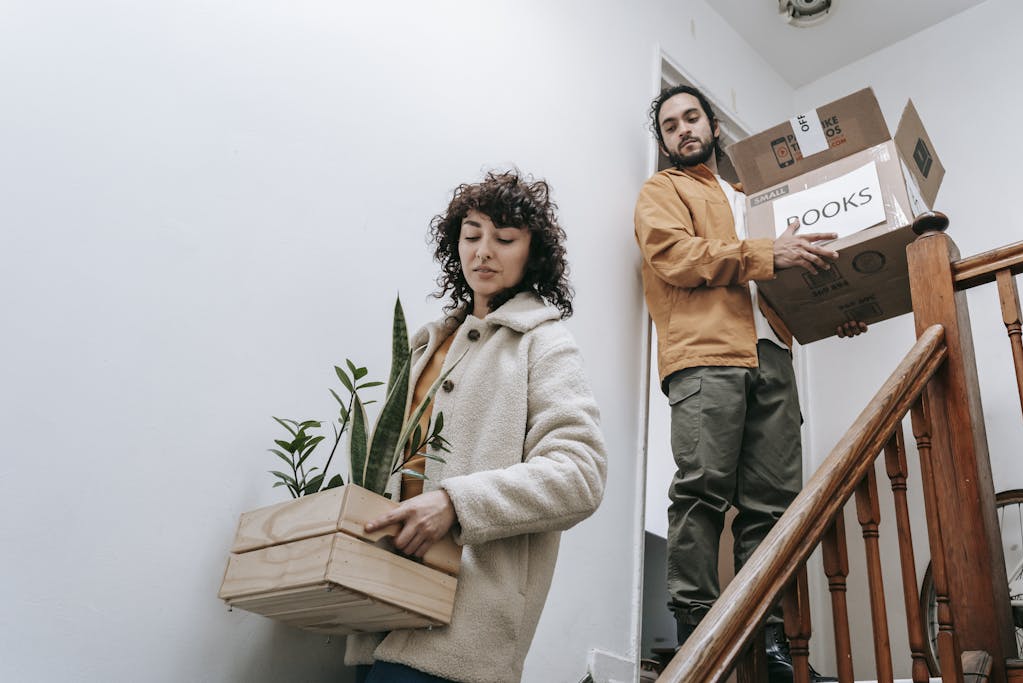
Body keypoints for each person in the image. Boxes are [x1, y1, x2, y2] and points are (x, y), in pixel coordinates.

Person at [634, 84, 864, 683]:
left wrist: (835, 308)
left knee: (774, 506)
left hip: (772, 356)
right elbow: (676, 258)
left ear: (713, 126)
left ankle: (769, 642)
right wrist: (766, 253)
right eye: (669, 125)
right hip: (707, 356)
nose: (682, 129)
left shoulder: (754, 200)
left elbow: (785, 277)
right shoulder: (664, 191)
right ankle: (696, 636)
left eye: (691, 118)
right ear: (663, 141)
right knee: (703, 491)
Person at [345, 170, 608, 683]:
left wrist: (455, 502)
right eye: (471, 235)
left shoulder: (545, 343)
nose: (484, 251)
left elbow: (581, 475)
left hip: (461, 636)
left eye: (505, 238)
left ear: (532, 253)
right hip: (378, 614)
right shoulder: (425, 345)